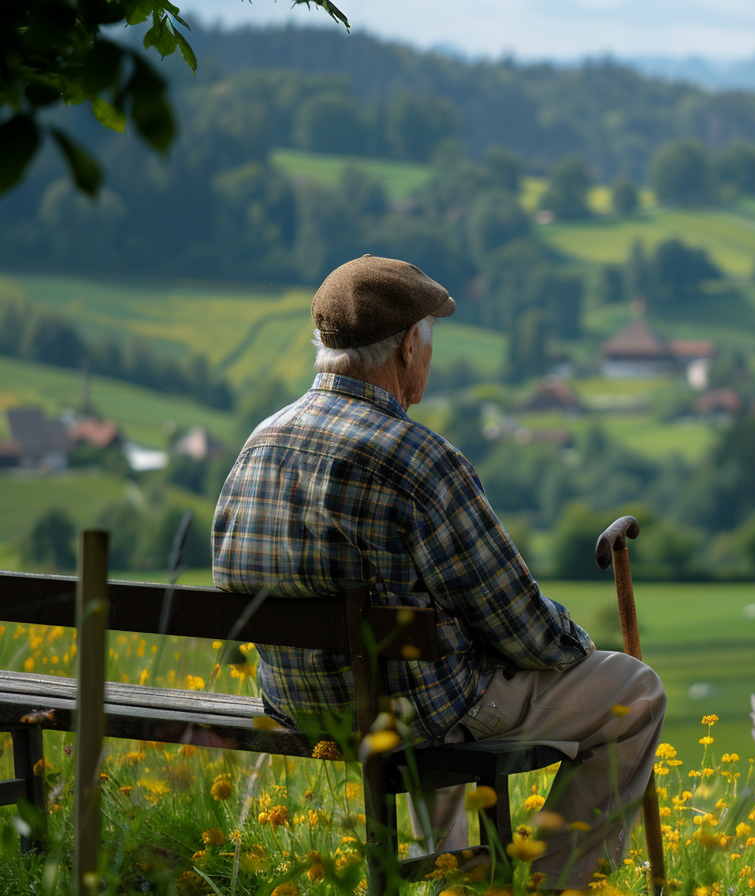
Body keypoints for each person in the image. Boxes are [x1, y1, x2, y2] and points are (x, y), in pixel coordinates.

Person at [212, 254, 665, 887]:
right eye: (430, 341)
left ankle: (457, 878)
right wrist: (576, 646)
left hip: (300, 705)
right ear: (405, 349)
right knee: (635, 691)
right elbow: (523, 626)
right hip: (411, 713)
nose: (430, 358)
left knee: (434, 672)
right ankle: (551, 884)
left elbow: (231, 583)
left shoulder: (257, 444)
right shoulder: (418, 459)